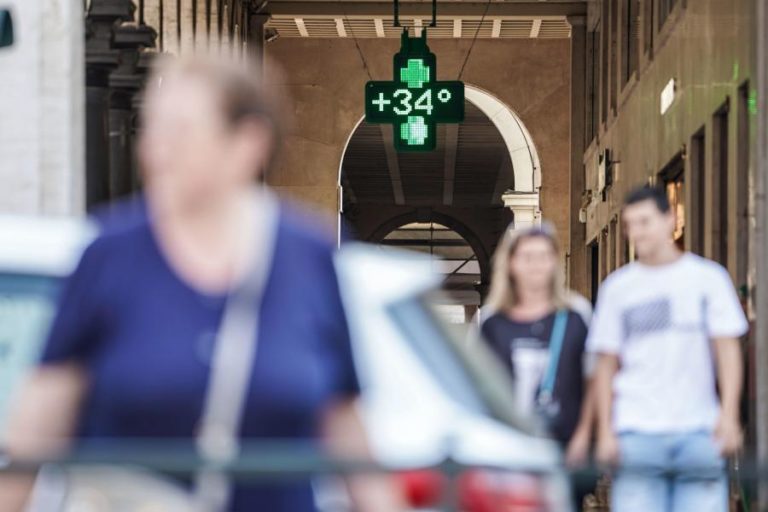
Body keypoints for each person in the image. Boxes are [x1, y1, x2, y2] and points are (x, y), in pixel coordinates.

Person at [3, 55, 401, 512]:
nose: (156, 149)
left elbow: (346, 427)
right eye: (152, 128)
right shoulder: (108, 257)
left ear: (248, 142)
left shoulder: (308, 259)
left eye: (180, 130)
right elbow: (36, 430)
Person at [589, 185, 747, 512]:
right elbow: (605, 364)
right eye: (631, 225)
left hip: (699, 430)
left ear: (670, 219)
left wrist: (729, 415)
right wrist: (605, 430)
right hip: (636, 431)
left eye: (645, 222)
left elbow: (727, 350)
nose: (637, 233)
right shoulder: (618, 288)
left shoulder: (708, 279)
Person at [477, 222, 596, 507]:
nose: (536, 265)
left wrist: (584, 436)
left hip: (564, 447)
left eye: (543, 256)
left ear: (555, 262)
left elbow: (593, 380)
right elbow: (483, 387)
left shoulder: (576, 314)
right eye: (527, 257)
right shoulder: (493, 322)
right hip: (511, 450)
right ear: (512, 263)